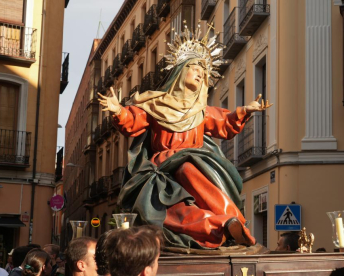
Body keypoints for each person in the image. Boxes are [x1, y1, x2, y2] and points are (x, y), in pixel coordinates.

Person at [98, 25, 271, 250]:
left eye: (204, 72)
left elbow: (224, 123)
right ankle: (222, 224)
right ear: (180, 71)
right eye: (195, 68)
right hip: (160, 168)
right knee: (169, 209)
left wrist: (245, 111)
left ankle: (231, 222)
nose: (200, 74)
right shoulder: (155, 105)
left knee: (188, 169)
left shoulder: (201, 112)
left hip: (195, 162)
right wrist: (117, 110)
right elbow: (133, 120)